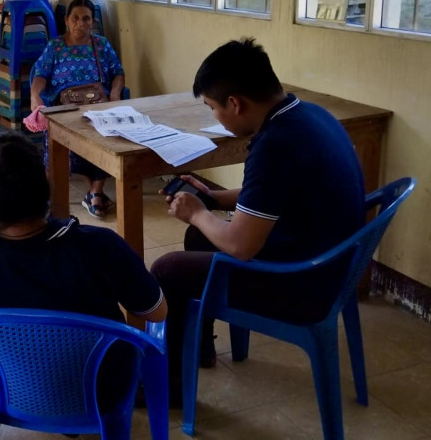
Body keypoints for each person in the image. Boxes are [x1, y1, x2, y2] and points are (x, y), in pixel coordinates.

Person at [150, 38, 365, 397]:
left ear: (235, 103)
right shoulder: (307, 114)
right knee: (200, 238)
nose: (214, 116)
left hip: (302, 282)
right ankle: (198, 349)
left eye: (213, 108)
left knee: (167, 269)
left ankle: (168, 388)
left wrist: (198, 212)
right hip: (333, 260)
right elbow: (276, 193)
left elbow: (241, 246)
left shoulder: (275, 145)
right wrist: (212, 196)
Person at [0, 130, 167, 403]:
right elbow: (157, 313)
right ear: (46, 183)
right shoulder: (102, 246)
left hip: (11, 391)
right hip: (103, 392)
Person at [29, 0, 125, 218]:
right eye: (75, 18)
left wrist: (115, 93)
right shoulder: (55, 46)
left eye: (86, 19)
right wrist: (35, 95)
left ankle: (95, 191)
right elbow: (41, 75)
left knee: (109, 141)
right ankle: (54, 199)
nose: (80, 23)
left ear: (93, 22)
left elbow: (118, 72)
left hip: (97, 105)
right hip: (65, 107)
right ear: (66, 20)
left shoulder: (101, 44)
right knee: (62, 142)